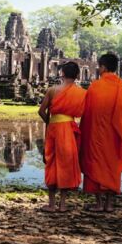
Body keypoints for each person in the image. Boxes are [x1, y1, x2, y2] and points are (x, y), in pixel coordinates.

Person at [79, 53, 122, 212]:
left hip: (96, 134)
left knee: (95, 165)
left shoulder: (95, 86)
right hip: (115, 135)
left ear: (104, 67)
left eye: (99, 66)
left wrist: (83, 133)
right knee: (112, 167)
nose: (98, 69)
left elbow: (88, 113)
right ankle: (109, 204)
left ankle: (99, 204)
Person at [37, 62, 87, 212]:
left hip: (54, 128)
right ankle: (63, 204)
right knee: (66, 163)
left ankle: (51, 204)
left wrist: (51, 122)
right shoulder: (82, 93)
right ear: (78, 75)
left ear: (62, 73)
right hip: (69, 129)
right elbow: (82, 113)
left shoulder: (52, 90)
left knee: (52, 161)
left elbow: (41, 111)